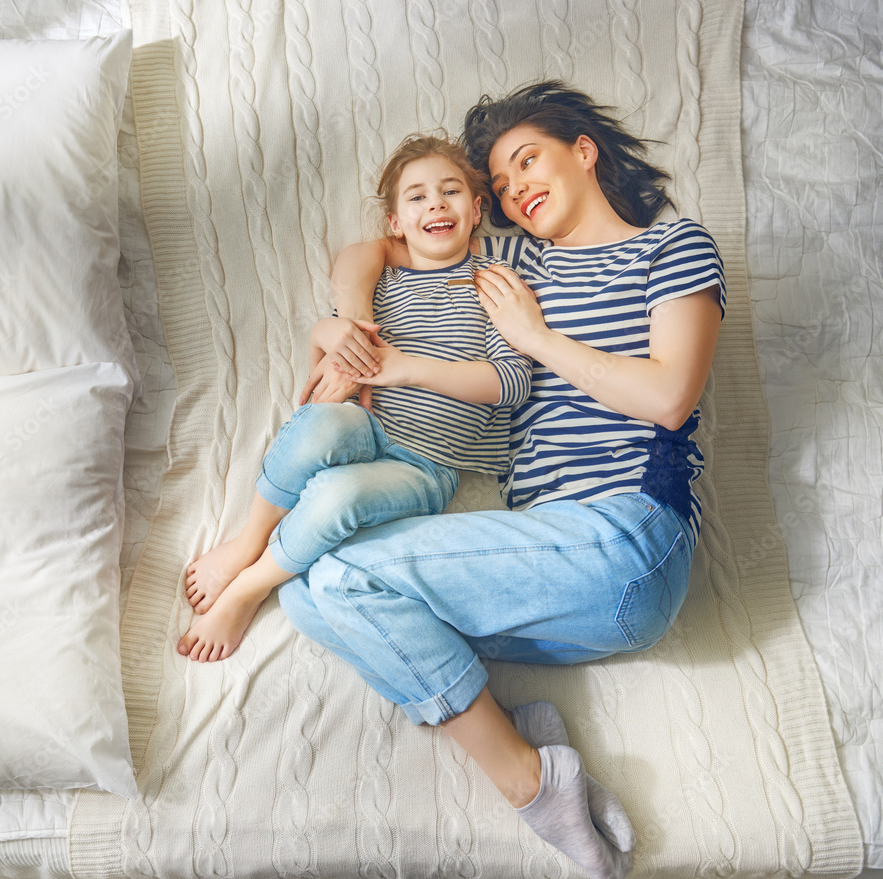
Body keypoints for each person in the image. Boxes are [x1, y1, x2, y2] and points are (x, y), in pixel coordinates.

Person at [282, 81, 726, 879]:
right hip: (555, 581)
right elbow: (370, 249)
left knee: (343, 571)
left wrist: (535, 337)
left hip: (629, 536)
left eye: (531, 160)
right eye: (504, 181)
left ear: (583, 152)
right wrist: (347, 322)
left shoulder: (670, 247)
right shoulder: (509, 258)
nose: (518, 187)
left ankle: (527, 780)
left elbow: (668, 396)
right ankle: (534, 740)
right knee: (309, 593)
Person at [177, 135, 531, 663]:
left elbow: (512, 382)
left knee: (336, 498)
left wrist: (406, 370)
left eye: (450, 191)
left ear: (477, 210)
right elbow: (337, 321)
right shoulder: (382, 280)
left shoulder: (493, 284)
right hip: (366, 425)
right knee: (321, 425)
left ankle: (250, 588)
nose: (435, 203)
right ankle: (250, 539)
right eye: (416, 197)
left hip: (429, 465)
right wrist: (329, 329)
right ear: (395, 224)